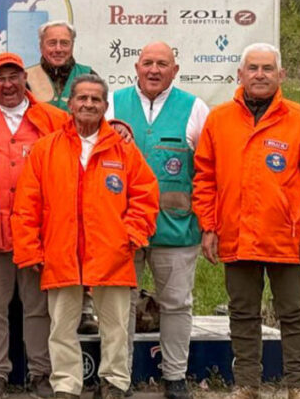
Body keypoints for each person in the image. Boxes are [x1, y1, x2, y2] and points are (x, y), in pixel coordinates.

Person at [193, 43, 300, 399]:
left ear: (281, 75)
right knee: (242, 314)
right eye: (253, 68)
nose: (260, 75)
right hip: (236, 234)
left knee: (293, 313)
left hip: (286, 237)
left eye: (267, 69)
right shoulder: (219, 119)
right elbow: (205, 178)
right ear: (240, 75)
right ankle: (246, 384)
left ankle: (299, 384)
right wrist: (209, 226)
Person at [12, 74, 159, 399]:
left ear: (105, 106)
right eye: (83, 98)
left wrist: (129, 237)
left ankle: (115, 382)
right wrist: (31, 251)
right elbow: (27, 205)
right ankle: (66, 385)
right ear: (70, 104)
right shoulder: (46, 150)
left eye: (96, 99)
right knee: (61, 327)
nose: (89, 104)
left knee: (116, 327)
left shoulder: (123, 150)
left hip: (113, 256)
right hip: (61, 254)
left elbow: (146, 196)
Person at [106, 42, 209, 399]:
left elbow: (209, 171)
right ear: (135, 67)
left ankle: (175, 377)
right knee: (119, 305)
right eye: (147, 62)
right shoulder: (112, 104)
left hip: (177, 229)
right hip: (122, 228)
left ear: (175, 70)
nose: (154, 70)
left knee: (177, 304)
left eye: (162, 64)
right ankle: (117, 379)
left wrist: (210, 224)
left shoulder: (195, 108)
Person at [0, 53, 69, 399]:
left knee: (38, 308)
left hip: (36, 233)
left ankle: (41, 372)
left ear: (26, 79)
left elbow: (85, 139)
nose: (7, 85)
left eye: (14, 77)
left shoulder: (53, 118)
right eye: (0, 78)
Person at [25, 21, 93, 111]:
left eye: (64, 43)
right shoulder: (25, 78)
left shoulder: (89, 76)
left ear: (72, 46)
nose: (58, 49)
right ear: (41, 47)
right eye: (52, 43)